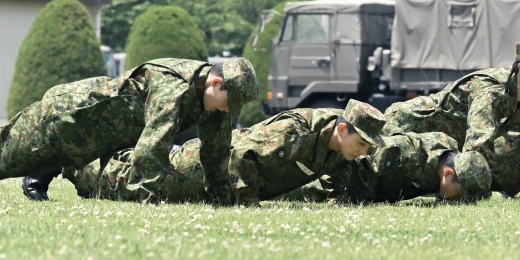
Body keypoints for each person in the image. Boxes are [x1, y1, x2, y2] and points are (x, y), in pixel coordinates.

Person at [0, 57, 259, 205]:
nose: (229, 111)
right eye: (230, 102)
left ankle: (41, 173)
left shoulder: (212, 104)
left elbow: (216, 152)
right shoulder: (176, 88)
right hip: (67, 116)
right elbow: (151, 151)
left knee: (15, 159)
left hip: (89, 136)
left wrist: (222, 198)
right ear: (216, 82)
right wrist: (144, 202)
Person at [64, 100, 385, 205]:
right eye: (361, 145)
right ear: (342, 131)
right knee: (123, 185)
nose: (363, 153)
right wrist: (246, 203)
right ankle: (71, 163)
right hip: (199, 167)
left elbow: (338, 178)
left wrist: (339, 201)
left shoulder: (338, 149)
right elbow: (240, 156)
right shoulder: (295, 131)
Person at [383, 41, 520, 199]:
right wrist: (476, 192)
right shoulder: (491, 91)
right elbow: (478, 145)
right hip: (405, 125)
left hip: (439, 141)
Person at [287, 131, 492, 204]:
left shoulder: (448, 154)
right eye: (459, 194)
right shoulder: (398, 155)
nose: (457, 201)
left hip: (373, 186)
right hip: (345, 181)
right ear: (448, 173)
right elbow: (345, 163)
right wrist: (344, 199)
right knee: (296, 190)